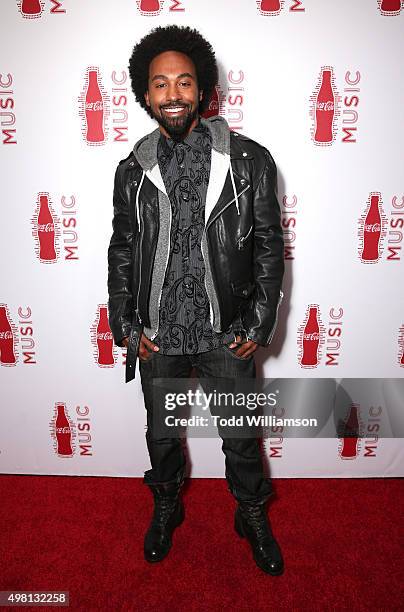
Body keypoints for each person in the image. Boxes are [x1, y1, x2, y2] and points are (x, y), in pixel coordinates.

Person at [107, 25, 285, 575]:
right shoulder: (133, 170)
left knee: (241, 438)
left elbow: (268, 251)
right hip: (159, 330)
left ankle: (250, 512)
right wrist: (125, 321)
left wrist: (257, 322)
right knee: (161, 435)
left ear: (203, 88)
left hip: (224, 329)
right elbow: (122, 249)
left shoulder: (250, 161)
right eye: (160, 84)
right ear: (145, 94)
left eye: (184, 81)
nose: (173, 93)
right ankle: (166, 505)